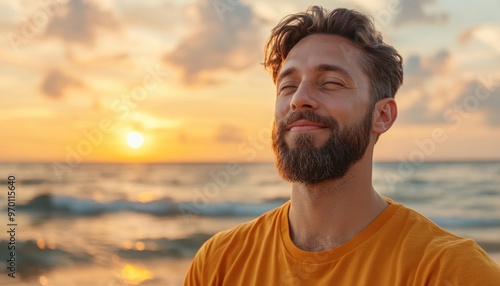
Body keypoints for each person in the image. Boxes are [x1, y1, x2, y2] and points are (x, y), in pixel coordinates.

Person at [184, 6, 500, 285]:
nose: (299, 99)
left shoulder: (451, 271)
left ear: (382, 115)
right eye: (288, 85)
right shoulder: (219, 262)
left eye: (331, 82)